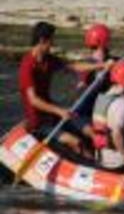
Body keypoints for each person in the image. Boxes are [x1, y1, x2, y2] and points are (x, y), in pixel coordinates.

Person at [17, 22, 112, 154]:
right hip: (38, 122)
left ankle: (105, 154)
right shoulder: (27, 66)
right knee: (76, 142)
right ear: (42, 40)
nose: (53, 43)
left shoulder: (48, 59)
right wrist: (59, 111)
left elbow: (74, 66)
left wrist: (101, 66)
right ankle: (89, 162)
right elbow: (34, 100)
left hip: (52, 114)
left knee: (88, 130)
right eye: (51, 40)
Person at [91, 61, 124, 169]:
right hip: (117, 161)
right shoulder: (121, 103)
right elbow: (116, 134)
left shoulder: (102, 97)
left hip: (101, 156)